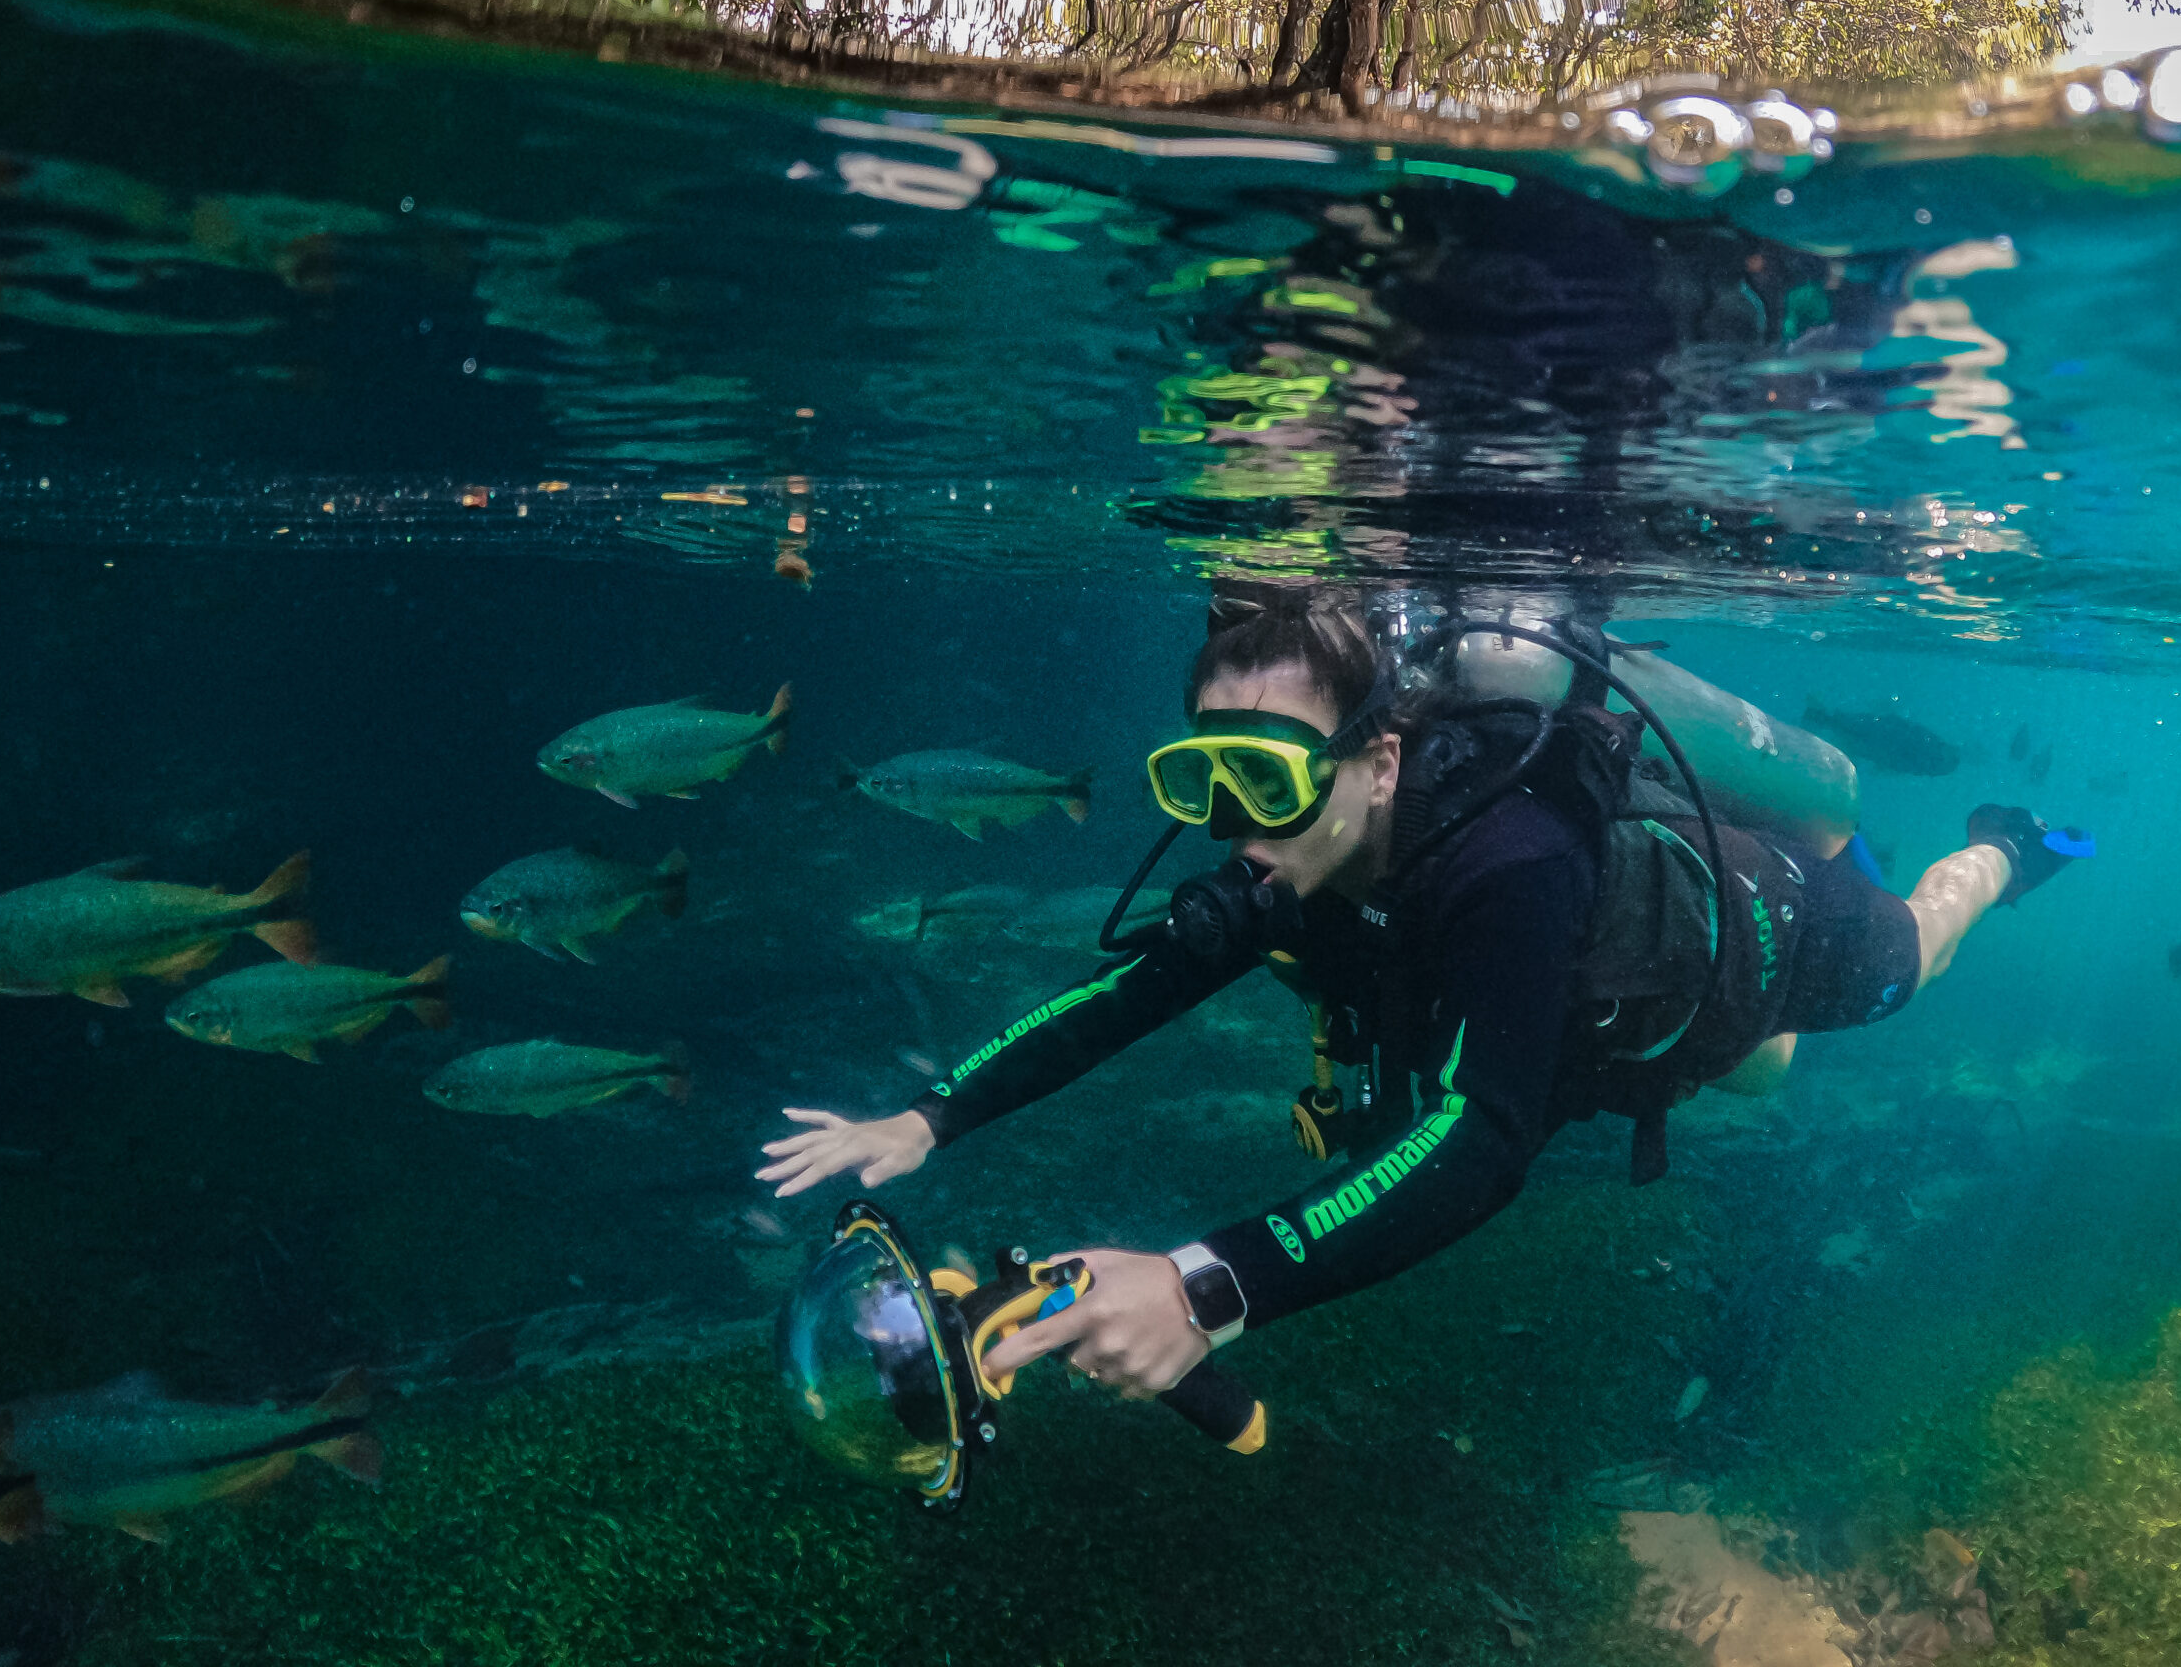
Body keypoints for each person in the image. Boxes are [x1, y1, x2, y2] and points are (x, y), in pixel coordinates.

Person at [756, 591, 2086, 1404]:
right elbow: (1131, 991)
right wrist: (930, 1119)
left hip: (1745, 940)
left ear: (1381, 761)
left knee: (1910, 956)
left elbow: (1482, 1139)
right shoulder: (1288, 863)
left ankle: (1999, 848)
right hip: (1626, 1032)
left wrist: (1206, 1284)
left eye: (1269, 782)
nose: (1235, 829)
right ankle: (1820, 864)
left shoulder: (1504, 864)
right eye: (1201, 780)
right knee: (1761, 1074)